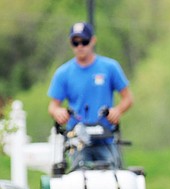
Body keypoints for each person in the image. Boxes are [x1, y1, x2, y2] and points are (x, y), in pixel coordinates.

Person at [48, 22, 133, 169]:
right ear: (71, 44)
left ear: (93, 41)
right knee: (80, 181)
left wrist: (117, 111)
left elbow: (128, 98)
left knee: (112, 178)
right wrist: (58, 112)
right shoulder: (63, 73)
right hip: (77, 138)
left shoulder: (110, 67)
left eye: (84, 41)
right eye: (76, 42)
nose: (80, 46)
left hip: (106, 137)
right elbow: (53, 106)